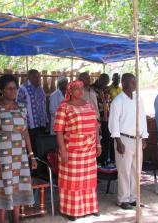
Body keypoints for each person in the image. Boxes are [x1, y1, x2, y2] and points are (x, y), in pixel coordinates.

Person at [0, 74, 37, 223]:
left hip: (20, 156)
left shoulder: (21, 107)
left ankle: (16, 220)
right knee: (3, 189)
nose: (14, 91)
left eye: (15, 88)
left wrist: (31, 155)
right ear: (2, 90)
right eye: (10, 88)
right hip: (2, 156)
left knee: (18, 188)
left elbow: (25, 132)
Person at [54, 80, 101, 221]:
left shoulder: (90, 105)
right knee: (72, 182)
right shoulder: (64, 107)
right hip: (72, 151)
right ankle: (71, 210)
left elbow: (95, 127)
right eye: (76, 88)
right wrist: (63, 150)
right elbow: (59, 131)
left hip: (89, 149)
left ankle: (90, 208)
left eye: (82, 88)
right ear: (70, 91)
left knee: (89, 180)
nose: (80, 91)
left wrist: (98, 144)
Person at [108, 73, 148, 210]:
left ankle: (134, 198)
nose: (135, 85)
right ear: (124, 83)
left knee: (137, 170)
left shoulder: (138, 99)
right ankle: (123, 199)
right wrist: (118, 142)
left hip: (137, 138)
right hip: (123, 139)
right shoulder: (117, 101)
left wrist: (144, 136)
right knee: (124, 171)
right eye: (132, 82)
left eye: (135, 82)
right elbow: (113, 123)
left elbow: (142, 118)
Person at [17, 69, 47, 152]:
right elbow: (18, 107)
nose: (38, 78)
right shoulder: (23, 89)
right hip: (30, 126)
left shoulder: (40, 89)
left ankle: (40, 164)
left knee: (41, 148)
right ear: (29, 77)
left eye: (39, 77)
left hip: (41, 125)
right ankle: (32, 163)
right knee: (32, 149)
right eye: (35, 77)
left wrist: (46, 120)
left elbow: (43, 105)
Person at [91, 73, 113, 165]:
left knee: (107, 139)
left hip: (107, 118)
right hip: (96, 118)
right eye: (104, 82)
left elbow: (109, 102)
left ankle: (104, 160)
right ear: (99, 79)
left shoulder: (107, 89)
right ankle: (97, 161)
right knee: (98, 140)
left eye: (106, 83)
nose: (105, 84)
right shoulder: (91, 89)